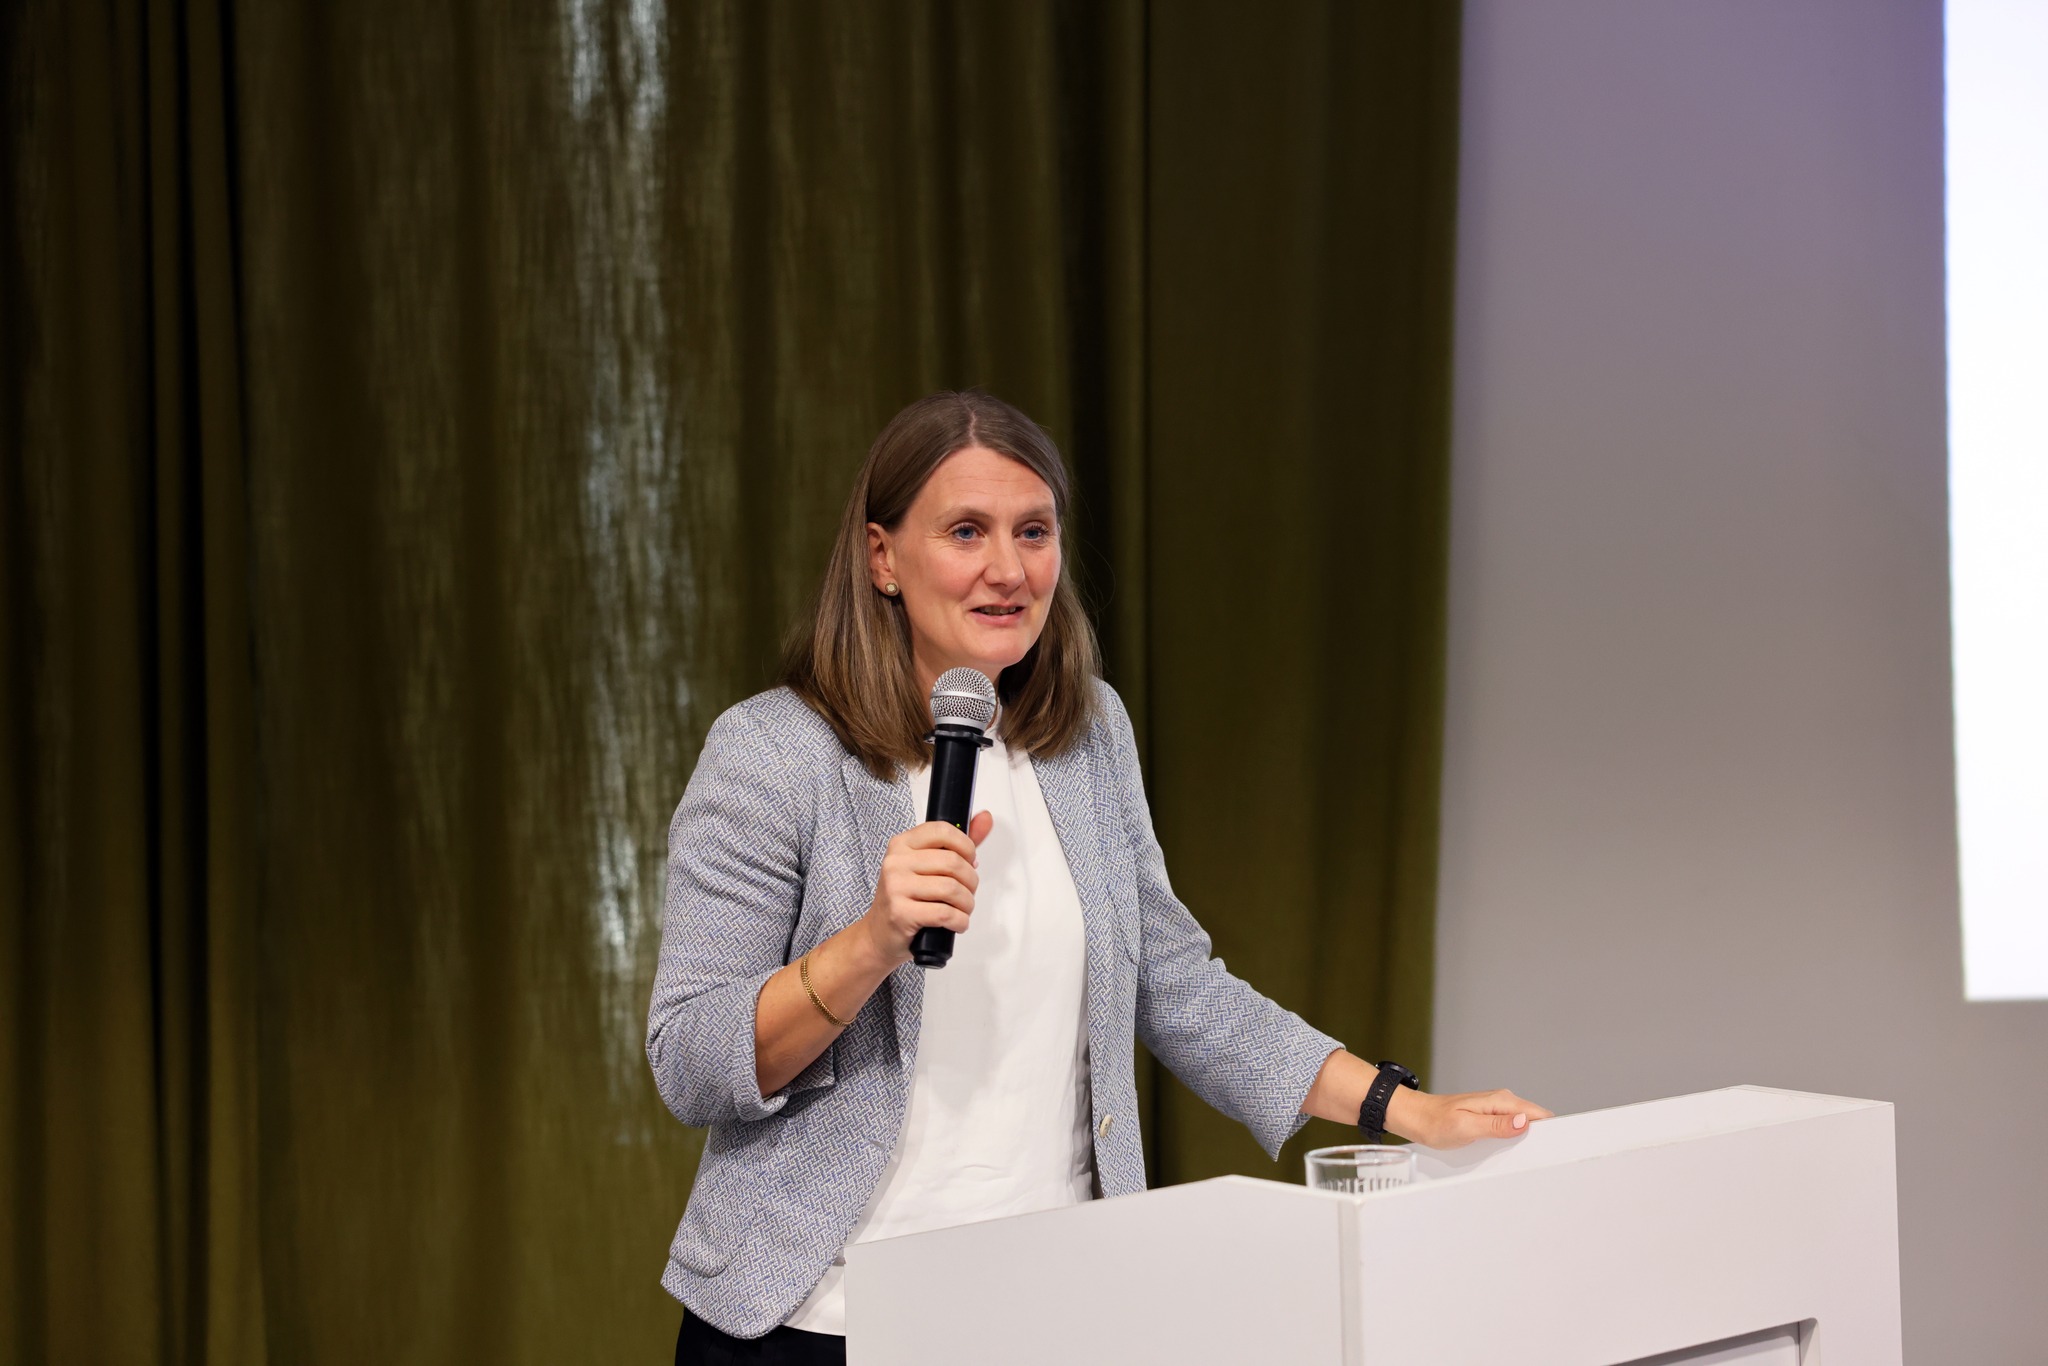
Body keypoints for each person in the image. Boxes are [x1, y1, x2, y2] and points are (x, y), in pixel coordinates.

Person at [647, 391, 1550, 1364]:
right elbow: (690, 1060)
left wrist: (1405, 1108)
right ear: (882, 558)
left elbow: (1178, 985)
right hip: (822, 1324)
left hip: (1056, 1308)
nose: (1008, 569)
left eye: (1033, 531)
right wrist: (868, 944)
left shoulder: (1087, 736)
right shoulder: (772, 753)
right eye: (965, 531)